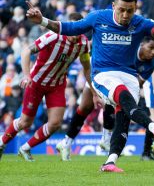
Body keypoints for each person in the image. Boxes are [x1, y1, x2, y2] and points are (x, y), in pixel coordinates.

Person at [24, 0, 154, 172]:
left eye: (130, 11)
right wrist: (42, 20)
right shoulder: (99, 17)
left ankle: (110, 161)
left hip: (129, 75)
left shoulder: (141, 22)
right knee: (122, 95)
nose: (125, 14)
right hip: (103, 74)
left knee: (123, 118)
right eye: (121, 10)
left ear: (135, 8)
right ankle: (152, 125)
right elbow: (69, 28)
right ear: (113, 5)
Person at [0, 13, 99, 162]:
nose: (74, 34)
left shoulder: (84, 44)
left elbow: (86, 68)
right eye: (72, 29)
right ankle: (2, 143)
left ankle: (25, 148)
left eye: (77, 30)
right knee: (25, 122)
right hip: (37, 83)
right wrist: (27, 76)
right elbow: (26, 51)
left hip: (57, 85)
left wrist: (93, 91)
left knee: (55, 123)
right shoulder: (54, 36)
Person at [56, 37, 154, 161]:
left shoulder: (151, 64)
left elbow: (137, 83)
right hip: (100, 69)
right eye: (151, 48)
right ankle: (66, 143)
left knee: (116, 97)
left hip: (117, 81)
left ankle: (105, 139)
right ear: (142, 44)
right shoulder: (129, 50)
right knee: (85, 107)